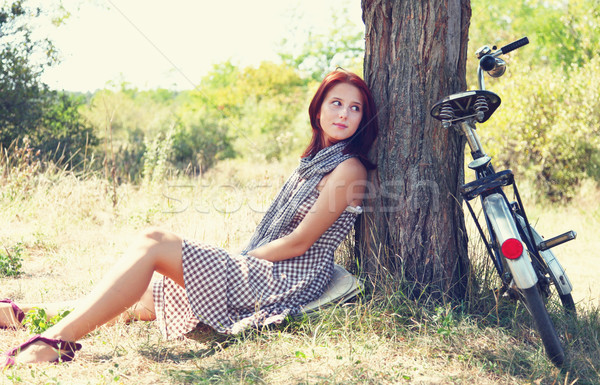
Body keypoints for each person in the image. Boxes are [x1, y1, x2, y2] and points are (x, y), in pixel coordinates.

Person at [0, 69, 379, 367]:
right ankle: (25, 315)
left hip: (287, 279)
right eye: (336, 103)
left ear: (363, 118)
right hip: (273, 269)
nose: (344, 113)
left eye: (355, 107)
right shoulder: (313, 161)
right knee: (148, 294)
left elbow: (301, 242)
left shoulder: (349, 169)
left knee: (155, 241)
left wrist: (240, 262)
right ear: (318, 108)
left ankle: (56, 342)